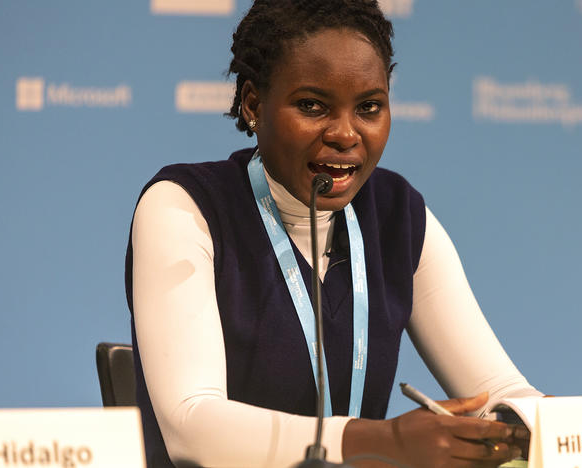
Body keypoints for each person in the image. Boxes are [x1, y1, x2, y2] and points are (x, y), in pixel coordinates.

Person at [125, 1, 542, 467]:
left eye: (369, 107)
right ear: (253, 104)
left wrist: (525, 428)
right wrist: (386, 443)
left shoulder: (397, 215)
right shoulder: (185, 206)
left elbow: (504, 393)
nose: (346, 134)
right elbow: (191, 426)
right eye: (312, 106)